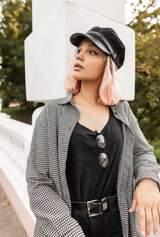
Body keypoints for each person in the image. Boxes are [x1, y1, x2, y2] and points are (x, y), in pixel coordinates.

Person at [26, 26, 160, 237]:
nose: (79, 55)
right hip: (68, 227)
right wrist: (69, 232)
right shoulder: (52, 114)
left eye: (92, 51)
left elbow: (143, 152)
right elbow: (38, 182)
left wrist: (148, 181)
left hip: (117, 223)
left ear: (108, 65)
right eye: (79, 50)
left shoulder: (122, 110)